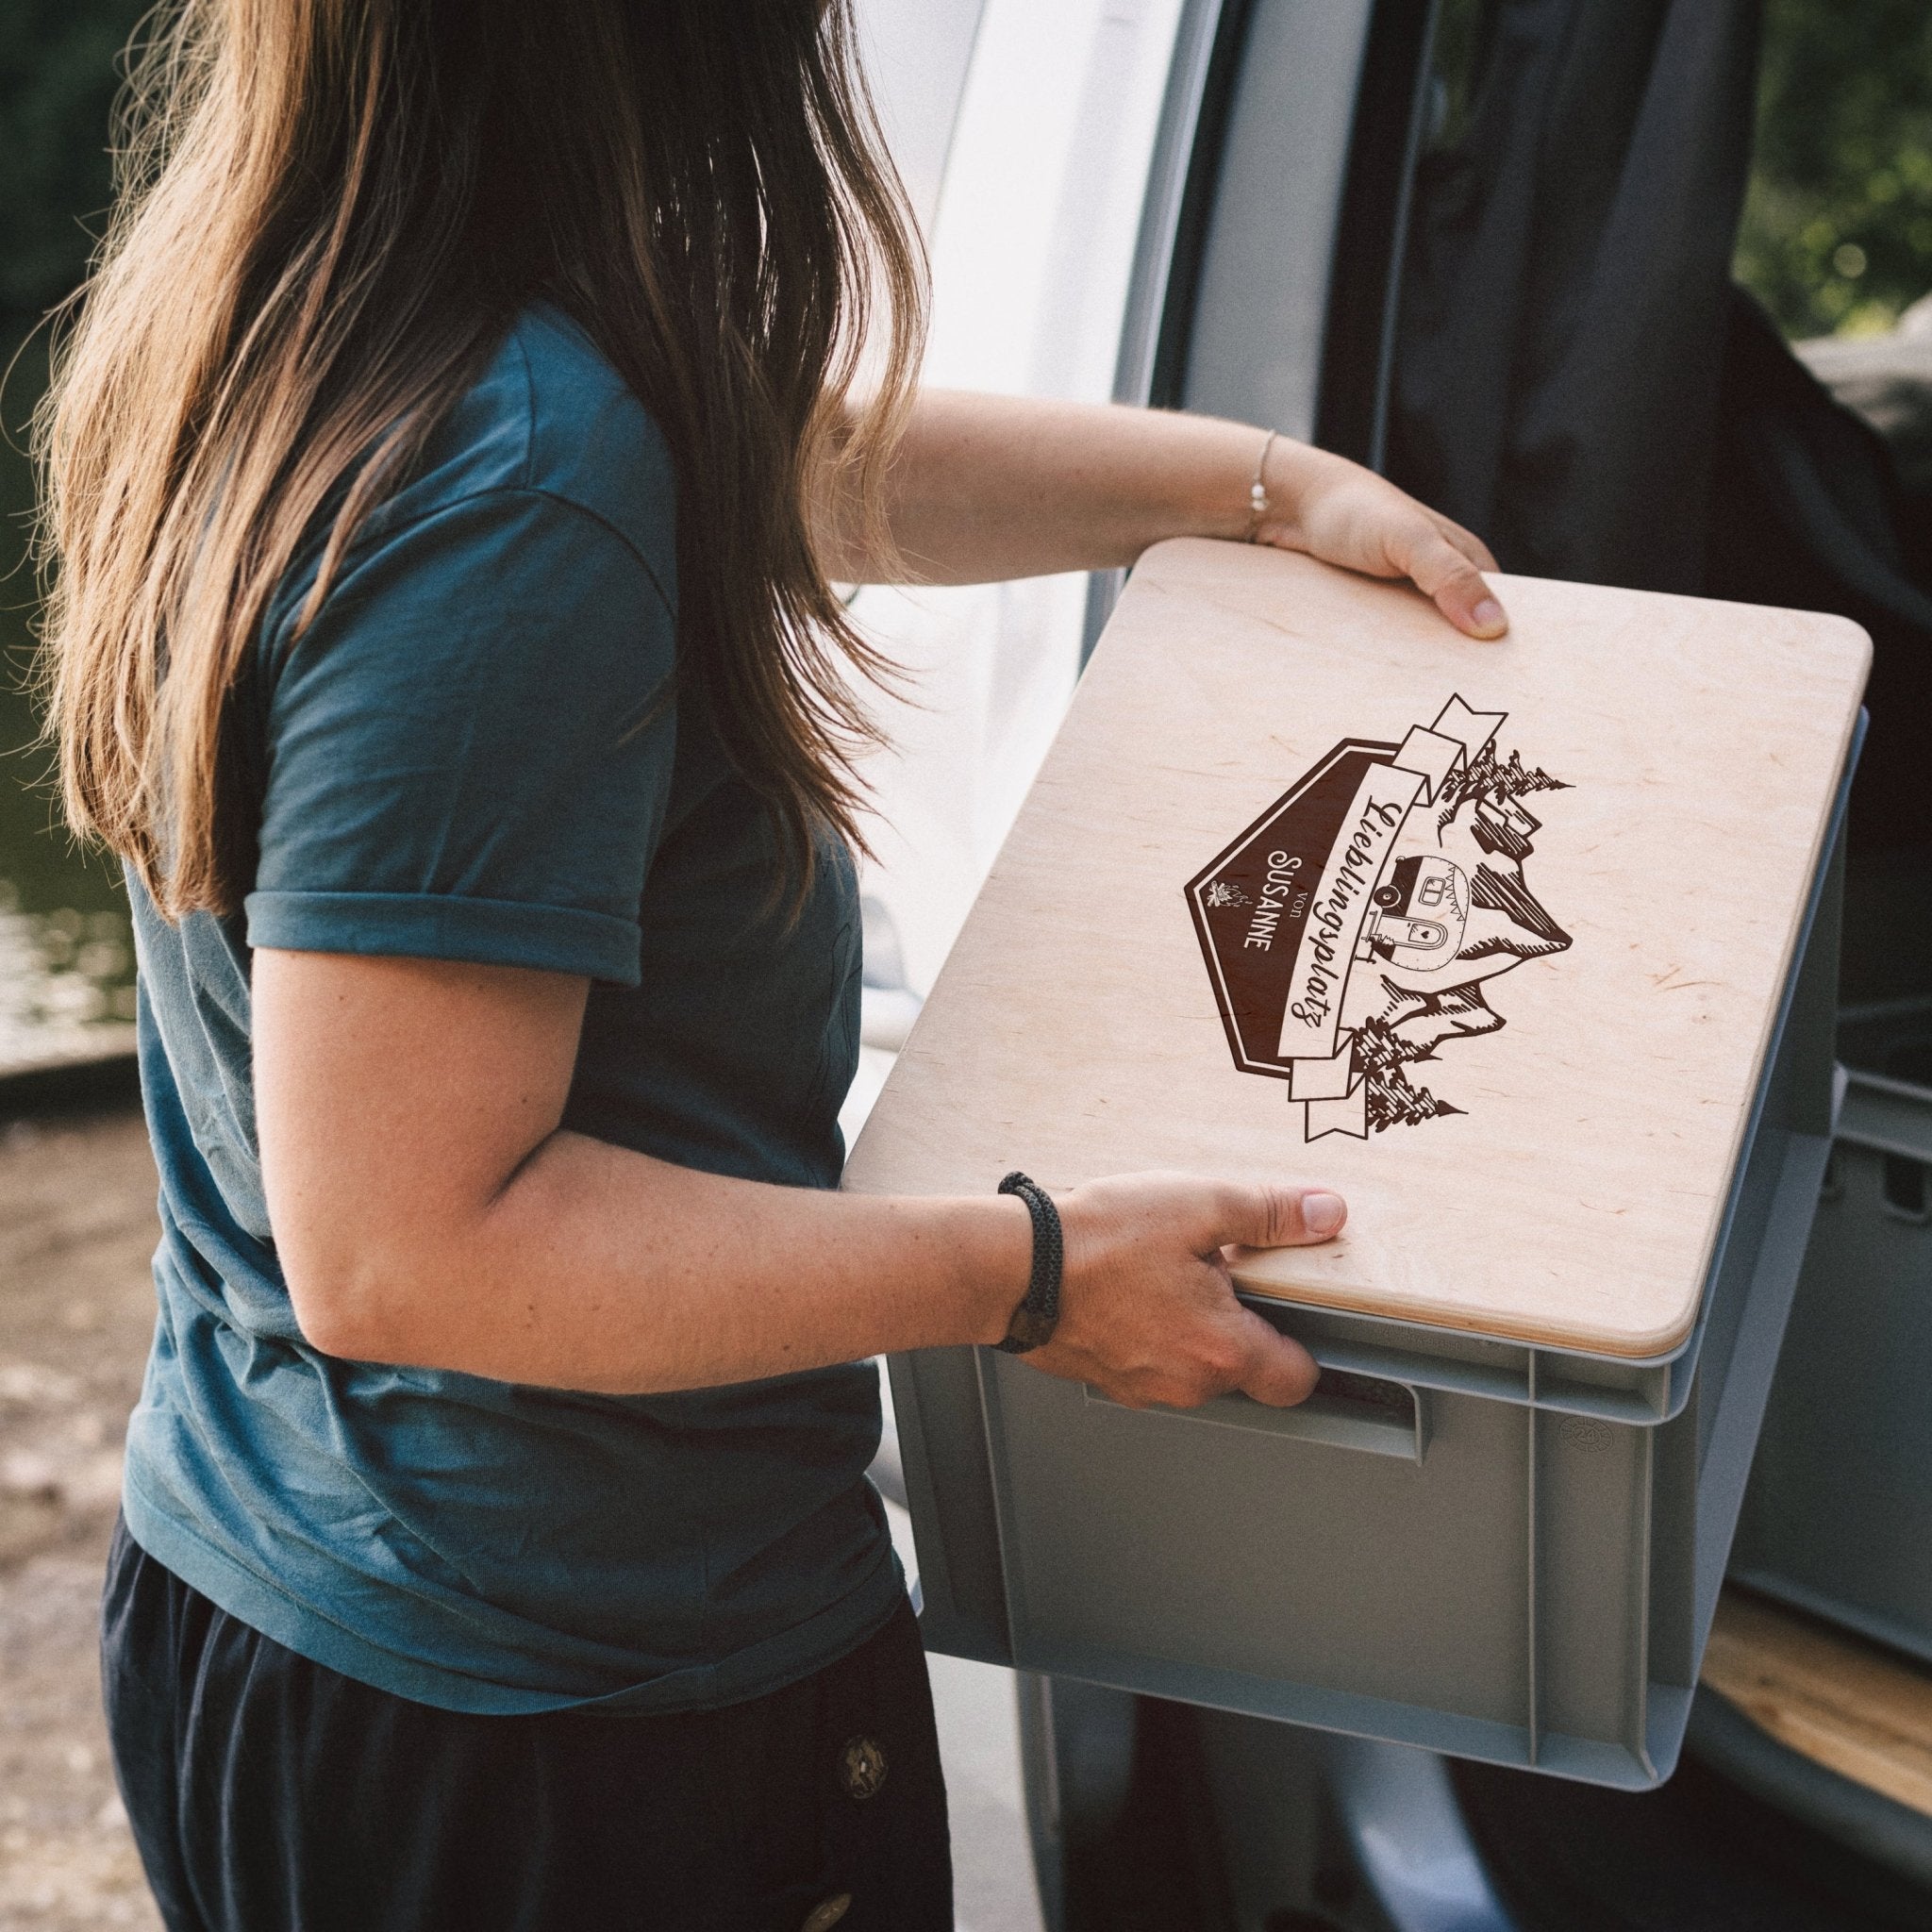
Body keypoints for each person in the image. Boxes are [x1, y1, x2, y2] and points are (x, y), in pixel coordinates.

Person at [38, 3, 1507, 1927]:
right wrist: (1036, 1272)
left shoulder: (297, 309)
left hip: (306, 1601)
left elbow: (796, 464)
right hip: (573, 1732)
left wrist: (1253, 483)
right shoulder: (519, 476)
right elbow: (412, 1244)